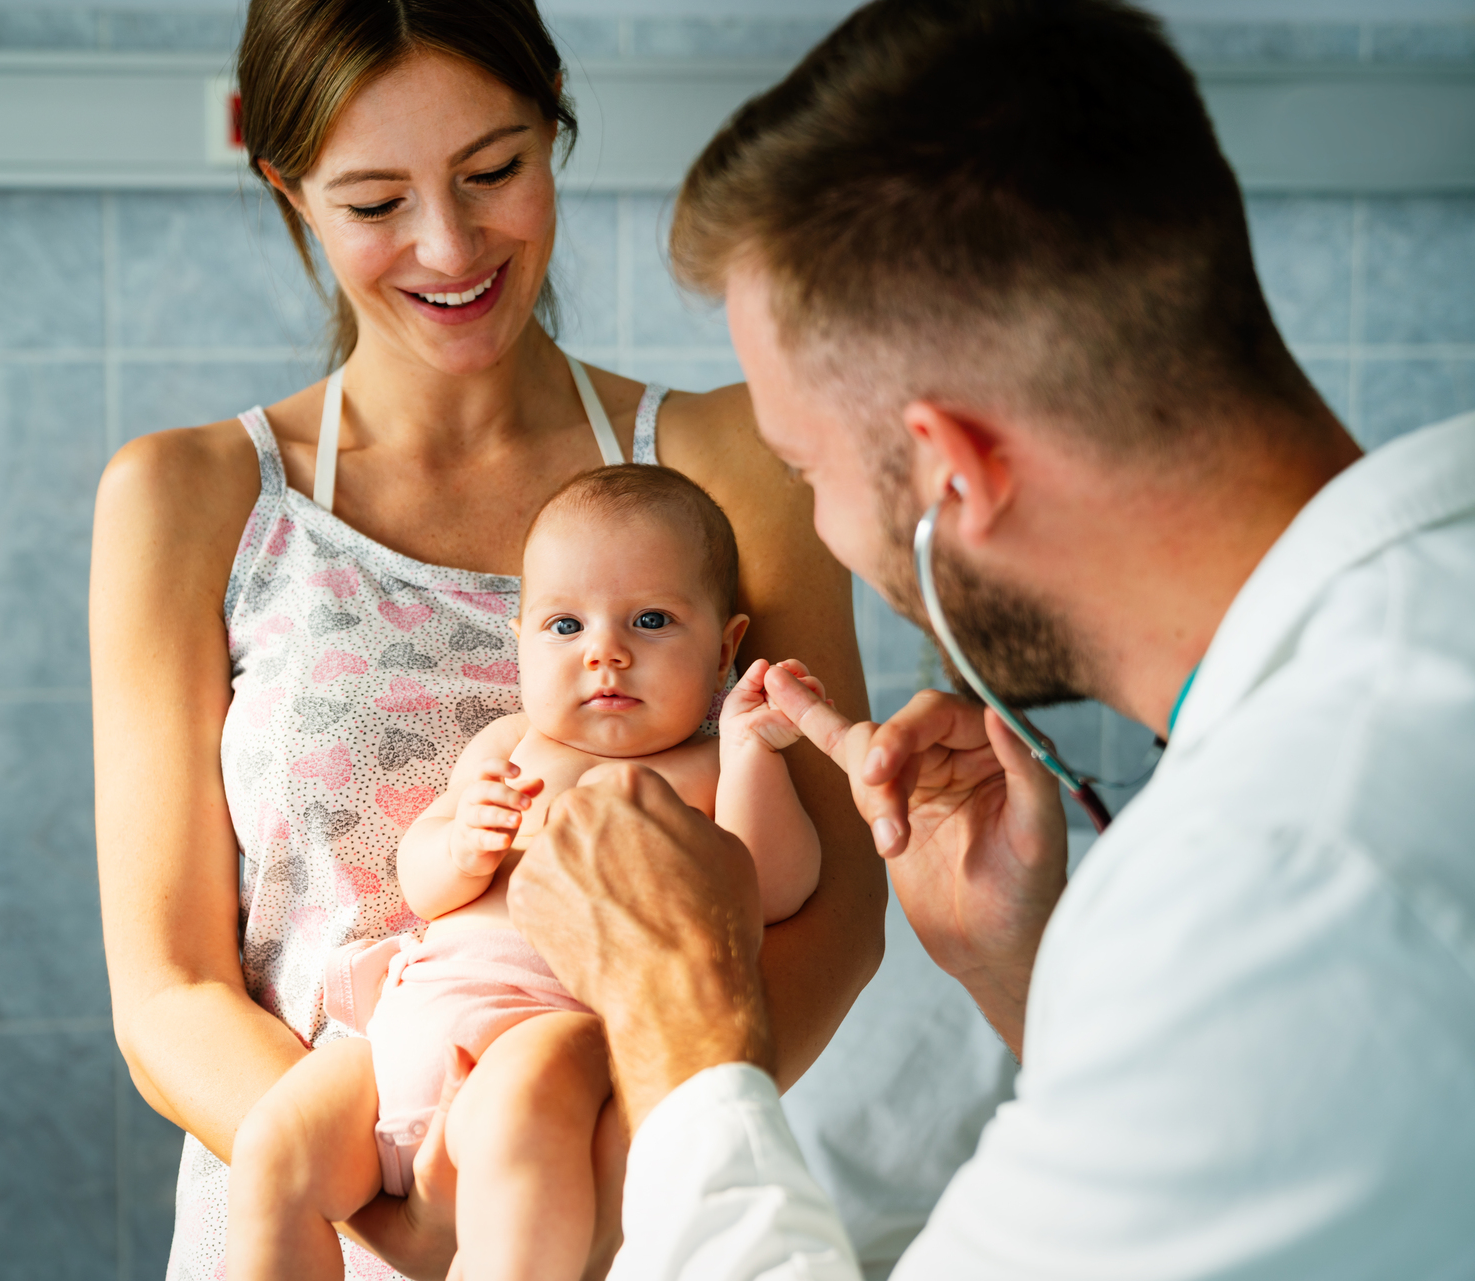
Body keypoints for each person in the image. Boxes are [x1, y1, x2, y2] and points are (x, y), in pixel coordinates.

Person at [504, 0, 1475, 1276]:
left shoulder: (1281, 873)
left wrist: (678, 1017)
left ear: (950, 476)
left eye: (808, 472)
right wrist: (1022, 974)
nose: (830, 536)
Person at [87, 1, 890, 1276]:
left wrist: (606, 1160)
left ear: (552, 118)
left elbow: (837, 912)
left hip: (615, 1198)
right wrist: (401, 1214)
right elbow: (169, 995)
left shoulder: (725, 464)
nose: (450, 246)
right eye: (373, 202)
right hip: (313, 1202)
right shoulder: (188, 499)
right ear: (287, 187)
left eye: (493, 170)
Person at [225, 465, 826, 1281]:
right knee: (271, 1150)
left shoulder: (712, 768)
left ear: (724, 647)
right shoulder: (508, 746)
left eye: (651, 621)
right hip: (399, 1036)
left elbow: (775, 889)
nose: (605, 652)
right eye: (565, 625)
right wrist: (460, 844)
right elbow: (419, 881)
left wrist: (754, 751)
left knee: (519, 1130)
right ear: (520, 642)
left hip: (547, 1031)